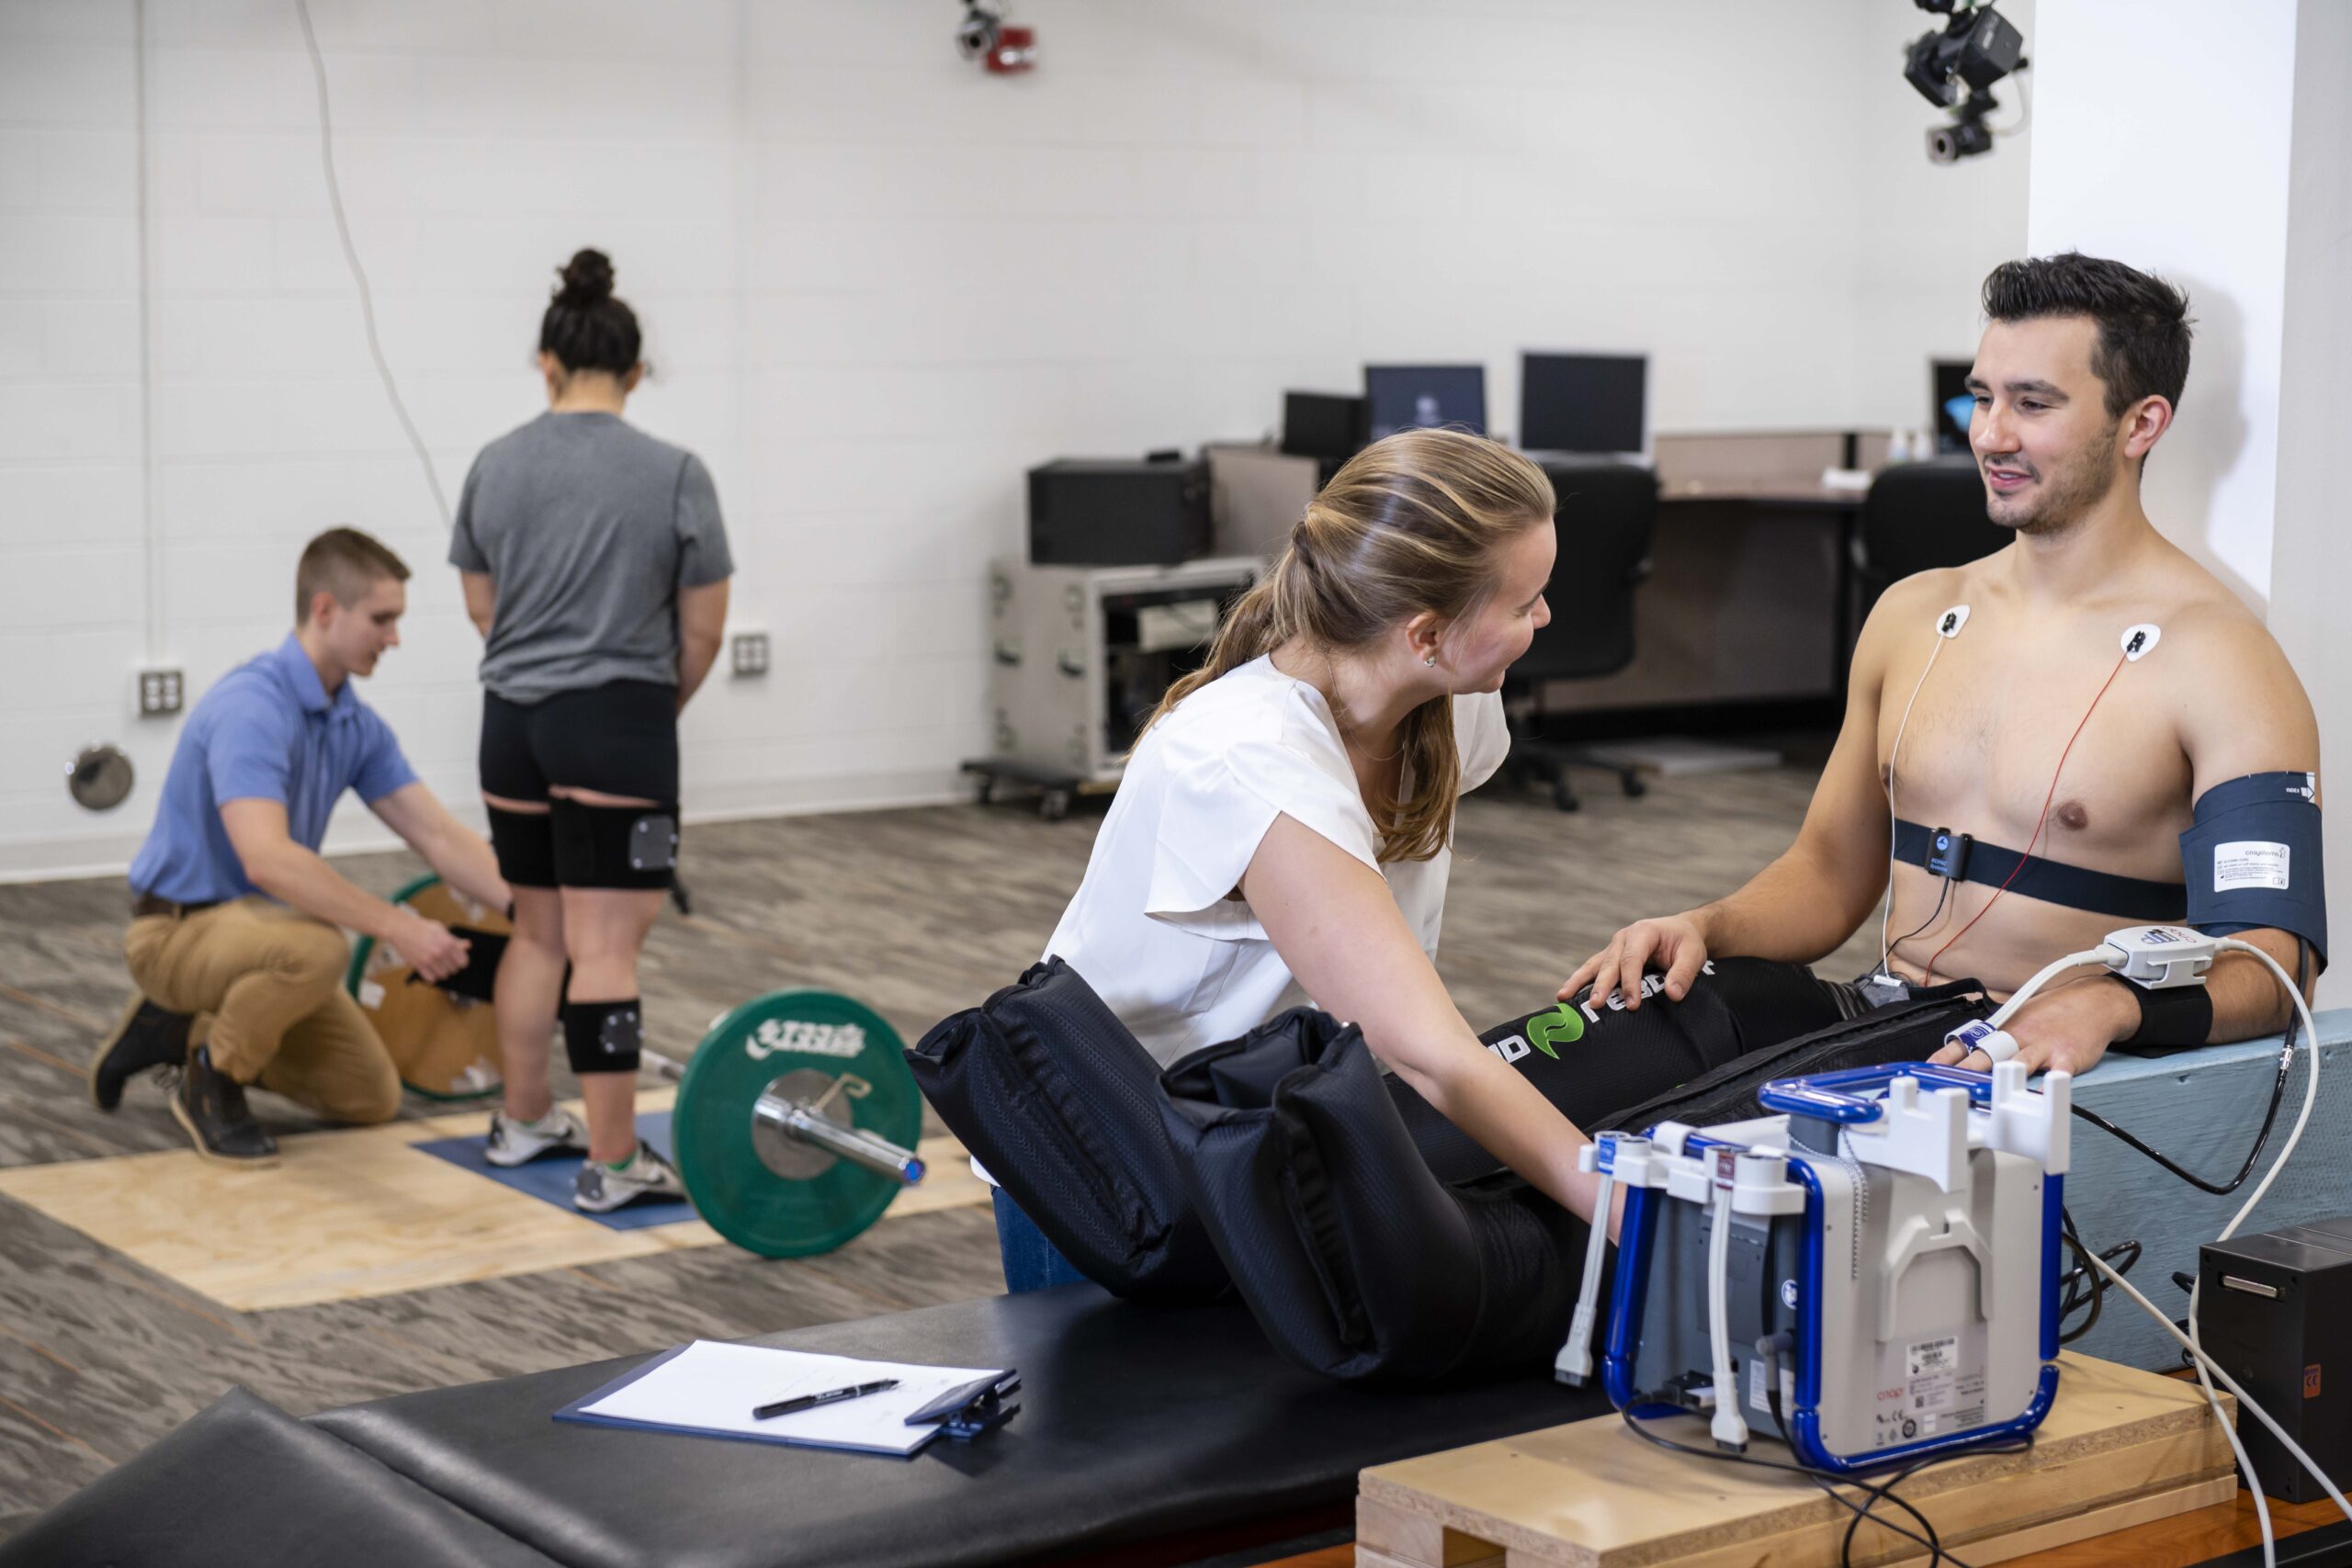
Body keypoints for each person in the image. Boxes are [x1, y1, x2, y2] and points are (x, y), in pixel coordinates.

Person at [1565, 252, 2323, 1077]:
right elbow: (1826, 871)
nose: (1991, 434)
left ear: (2141, 424)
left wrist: (2111, 1004)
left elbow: (2278, 965)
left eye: (2033, 404)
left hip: (2023, 1057)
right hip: (1874, 1013)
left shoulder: (2223, 661)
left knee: (1649, 1167)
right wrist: (1708, 926)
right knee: (1546, 1076)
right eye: (1984, 396)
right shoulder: (1912, 614)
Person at [989, 426, 1622, 1291]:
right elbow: (1428, 1050)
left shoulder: (1451, 706)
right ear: (1426, 633)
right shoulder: (1252, 760)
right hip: (1104, 1156)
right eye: (1523, 604)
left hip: (1250, 1131)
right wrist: (1638, 1211)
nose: (1544, 618)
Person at [452, 247, 733, 1213]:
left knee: (537, 930)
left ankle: (524, 1116)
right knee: (606, 944)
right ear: (637, 372)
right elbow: (702, 631)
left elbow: (480, 605)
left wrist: (545, 675)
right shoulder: (674, 472)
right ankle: (613, 1162)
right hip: (615, 721)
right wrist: (642, 715)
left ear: (547, 362)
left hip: (510, 722)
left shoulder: (494, 463)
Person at [93, 529, 511, 1163]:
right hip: (175, 933)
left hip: (261, 937)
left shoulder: (354, 723)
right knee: (319, 946)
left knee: (370, 1096)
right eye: (382, 619)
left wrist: (535, 909)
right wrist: (400, 926)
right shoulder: (252, 706)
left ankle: (177, 1025)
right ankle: (213, 1080)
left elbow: (437, 834)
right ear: (324, 610)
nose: (394, 637)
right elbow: (268, 859)